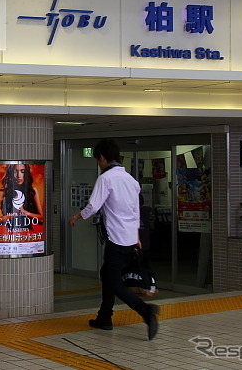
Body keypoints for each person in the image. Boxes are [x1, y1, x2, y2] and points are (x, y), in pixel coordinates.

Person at [68, 138, 159, 340]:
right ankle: (104, 317)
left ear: (102, 158)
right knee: (107, 274)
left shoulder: (106, 178)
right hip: (130, 239)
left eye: (97, 160)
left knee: (112, 280)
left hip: (116, 239)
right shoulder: (130, 180)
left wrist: (76, 216)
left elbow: (93, 206)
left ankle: (146, 311)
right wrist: (137, 236)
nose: (98, 165)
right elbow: (137, 211)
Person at [0, 164, 43, 230]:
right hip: (8, 237)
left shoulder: (32, 191)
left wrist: (24, 212)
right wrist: (12, 216)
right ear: (10, 173)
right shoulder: (1, 194)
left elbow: (41, 219)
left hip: (29, 236)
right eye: (15, 171)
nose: (19, 176)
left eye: (22, 171)